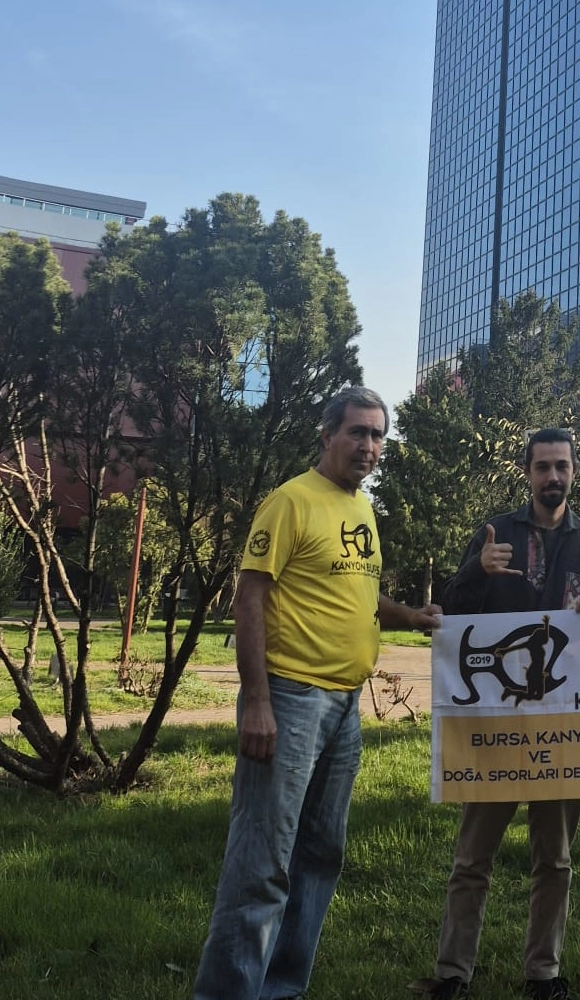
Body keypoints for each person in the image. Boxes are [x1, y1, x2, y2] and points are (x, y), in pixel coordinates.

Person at [193, 386, 442, 1000]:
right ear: (327, 435)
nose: (368, 445)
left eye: (378, 435)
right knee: (262, 862)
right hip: (290, 698)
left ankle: (281, 988)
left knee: (321, 855)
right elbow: (249, 597)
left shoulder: (362, 510)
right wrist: (257, 701)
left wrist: (410, 616)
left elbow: (360, 595)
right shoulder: (291, 502)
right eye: (357, 432)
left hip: (345, 707)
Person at [427, 427, 580, 1000]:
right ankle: (452, 973)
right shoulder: (496, 533)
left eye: (562, 466)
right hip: (497, 723)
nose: (553, 476)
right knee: (473, 856)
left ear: (573, 472)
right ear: (527, 472)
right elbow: (450, 613)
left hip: (564, 723)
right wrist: (477, 570)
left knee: (555, 859)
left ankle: (543, 974)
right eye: (543, 467)